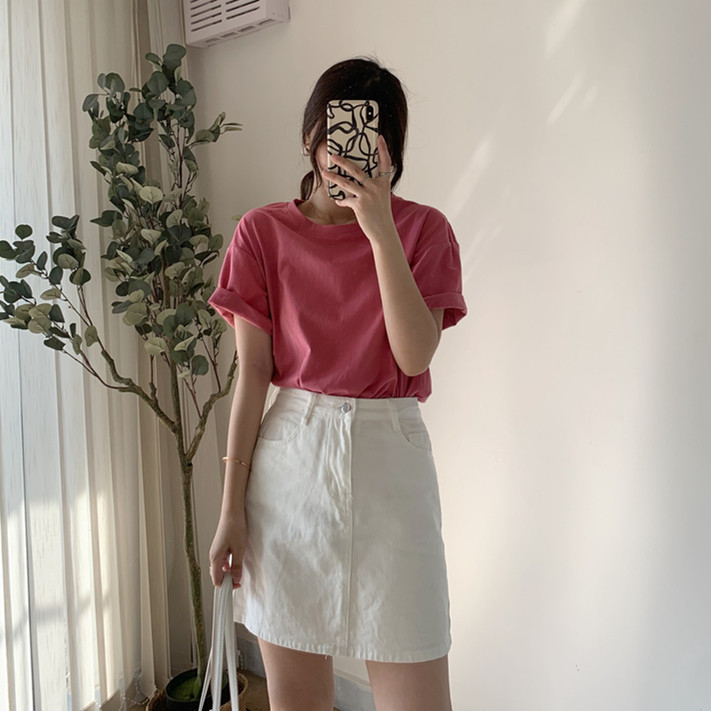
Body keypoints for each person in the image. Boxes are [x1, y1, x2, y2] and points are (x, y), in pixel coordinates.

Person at [206, 57, 467, 711]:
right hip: (291, 468)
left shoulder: (423, 230)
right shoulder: (262, 233)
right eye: (337, 136)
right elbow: (253, 377)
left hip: (391, 469)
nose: (349, 154)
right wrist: (231, 510)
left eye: (373, 141)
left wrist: (379, 231)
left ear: (392, 151)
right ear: (310, 137)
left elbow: (413, 355)